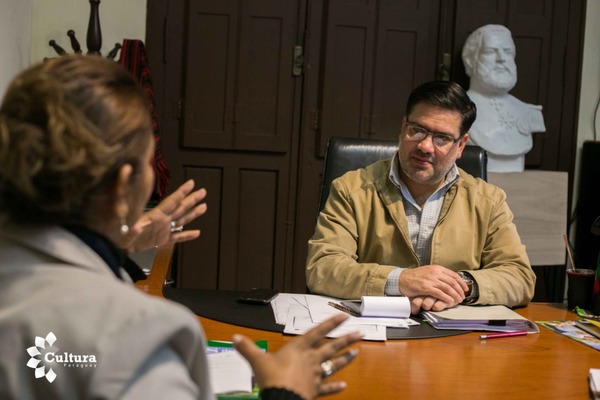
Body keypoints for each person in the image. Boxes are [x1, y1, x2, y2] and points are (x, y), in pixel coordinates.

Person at [0, 55, 361, 400]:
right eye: (148, 161)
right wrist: (284, 391)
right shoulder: (141, 333)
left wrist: (115, 243)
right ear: (123, 185)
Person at [306, 80, 536, 315]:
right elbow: (322, 268)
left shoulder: (489, 201)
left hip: (457, 339)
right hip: (374, 332)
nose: (425, 146)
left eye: (442, 138)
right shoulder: (351, 189)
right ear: (403, 127)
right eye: (417, 130)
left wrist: (458, 286)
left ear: (460, 146)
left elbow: (519, 277)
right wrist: (401, 280)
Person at [461, 24, 545, 173]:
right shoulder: (458, 109)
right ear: (470, 61)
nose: (501, 59)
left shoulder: (528, 111)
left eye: (507, 52)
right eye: (490, 51)